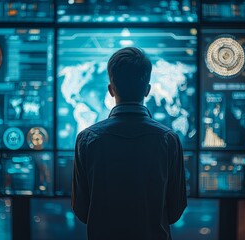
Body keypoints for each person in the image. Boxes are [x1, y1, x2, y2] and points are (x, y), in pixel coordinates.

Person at [72, 47, 187, 240]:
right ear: (148, 90)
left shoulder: (87, 139)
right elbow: (175, 210)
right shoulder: (168, 140)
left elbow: (82, 210)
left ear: (110, 90)